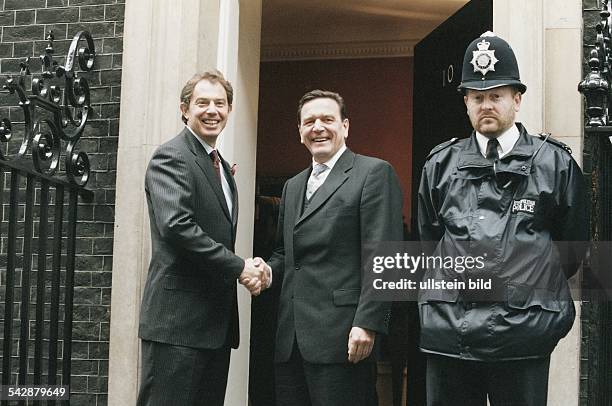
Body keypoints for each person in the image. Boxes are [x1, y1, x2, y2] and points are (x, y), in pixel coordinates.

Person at [417, 32, 589, 406]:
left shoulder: (554, 163)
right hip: (451, 331)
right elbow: (429, 243)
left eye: (496, 95)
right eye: (477, 97)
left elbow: (571, 252)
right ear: (466, 103)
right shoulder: (440, 164)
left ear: (517, 99)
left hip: (523, 332)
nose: (486, 105)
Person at [137, 70, 269, 406]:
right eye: (202, 103)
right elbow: (177, 226)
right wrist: (240, 267)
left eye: (220, 103)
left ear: (229, 110)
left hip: (215, 327)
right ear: (185, 110)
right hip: (177, 326)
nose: (212, 110)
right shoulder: (172, 156)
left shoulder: (221, 166)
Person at [265, 89, 404, 406]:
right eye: (309, 121)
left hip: (344, 339)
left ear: (345, 126)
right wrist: (264, 272)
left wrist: (367, 323)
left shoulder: (373, 173)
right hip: (291, 342)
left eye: (327, 119)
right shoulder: (293, 186)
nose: (318, 127)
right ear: (300, 132)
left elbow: (386, 257)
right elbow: (286, 255)